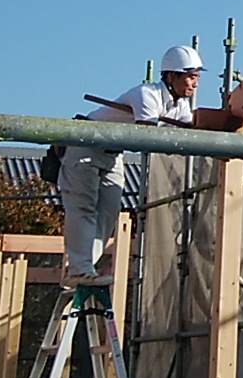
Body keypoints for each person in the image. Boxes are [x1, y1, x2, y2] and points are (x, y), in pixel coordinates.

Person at [60, 44, 207, 286]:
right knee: (83, 208)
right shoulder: (146, 94)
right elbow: (146, 137)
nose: (195, 83)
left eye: (197, 78)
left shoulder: (178, 105)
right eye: (191, 77)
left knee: (107, 214)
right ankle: (79, 270)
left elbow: (190, 130)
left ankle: (86, 269)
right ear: (172, 76)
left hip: (111, 153)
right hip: (84, 148)